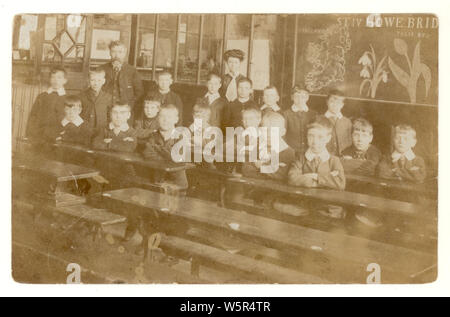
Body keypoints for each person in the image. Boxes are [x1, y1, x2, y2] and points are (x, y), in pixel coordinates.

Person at [288, 117, 345, 190]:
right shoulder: (300, 158)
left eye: (320, 137)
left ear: (328, 138)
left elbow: (340, 183)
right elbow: (292, 179)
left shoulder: (334, 160)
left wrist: (315, 176)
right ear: (306, 136)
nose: (315, 142)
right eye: (311, 136)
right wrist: (325, 181)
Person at [143, 104, 189, 190]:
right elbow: (148, 154)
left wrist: (159, 151)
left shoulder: (181, 137)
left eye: (169, 117)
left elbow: (177, 159)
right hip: (158, 181)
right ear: (157, 118)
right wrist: (166, 154)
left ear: (176, 119)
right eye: (162, 116)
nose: (165, 120)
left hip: (177, 184)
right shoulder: (153, 136)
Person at [98, 41, 144, 121]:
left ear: (125, 53)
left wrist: (129, 105)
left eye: (120, 52)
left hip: (125, 112)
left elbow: (139, 92)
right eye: (113, 51)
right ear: (109, 52)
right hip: (105, 110)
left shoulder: (132, 71)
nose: (117, 55)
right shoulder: (101, 69)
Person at [26, 66, 67, 152]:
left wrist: (62, 135)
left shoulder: (67, 98)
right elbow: (33, 116)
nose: (55, 80)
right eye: (53, 77)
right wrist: (30, 134)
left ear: (65, 80)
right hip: (39, 136)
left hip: (57, 138)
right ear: (49, 79)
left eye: (59, 77)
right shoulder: (42, 96)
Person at [283, 85, 317, 157]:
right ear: (292, 97)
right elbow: (283, 135)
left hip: (309, 151)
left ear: (307, 98)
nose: (300, 99)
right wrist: (288, 150)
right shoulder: (286, 114)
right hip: (291, 152)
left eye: (303, 97)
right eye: (297, 96)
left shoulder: (313, 114)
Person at [79, 69, 113, 136]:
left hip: (102, 130)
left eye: (99, 80)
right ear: (89, 81)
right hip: (85, 130)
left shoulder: (108, 97)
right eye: (93, 80)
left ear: (103, 81)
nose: (96, 83)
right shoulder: (81, 96)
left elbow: (110, 115)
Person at [319, 89, 352, 156]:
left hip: (343, 157)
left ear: (342, 105)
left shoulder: (347, 122)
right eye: (332, 101)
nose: (335, 105)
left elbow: (350, 141)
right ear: (327, 102)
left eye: (338, 102)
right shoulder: (319, 119)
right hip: (324, 156)